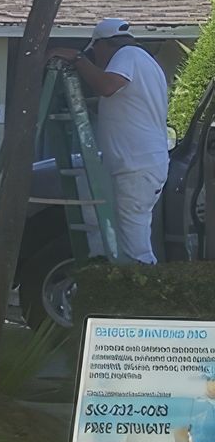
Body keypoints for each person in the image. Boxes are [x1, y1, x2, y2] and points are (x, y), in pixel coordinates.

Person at [51, 18, 169, 265]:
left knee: (135, 248)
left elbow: (105, 86)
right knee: (128, 239)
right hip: (138, 164)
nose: (96, 58)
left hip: (136, 167)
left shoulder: (128, 55)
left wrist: (77, 58)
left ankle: (144, 298)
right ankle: (132, 293)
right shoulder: (142, 61)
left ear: (103, 45)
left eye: (94, 52)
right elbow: (114, 101)